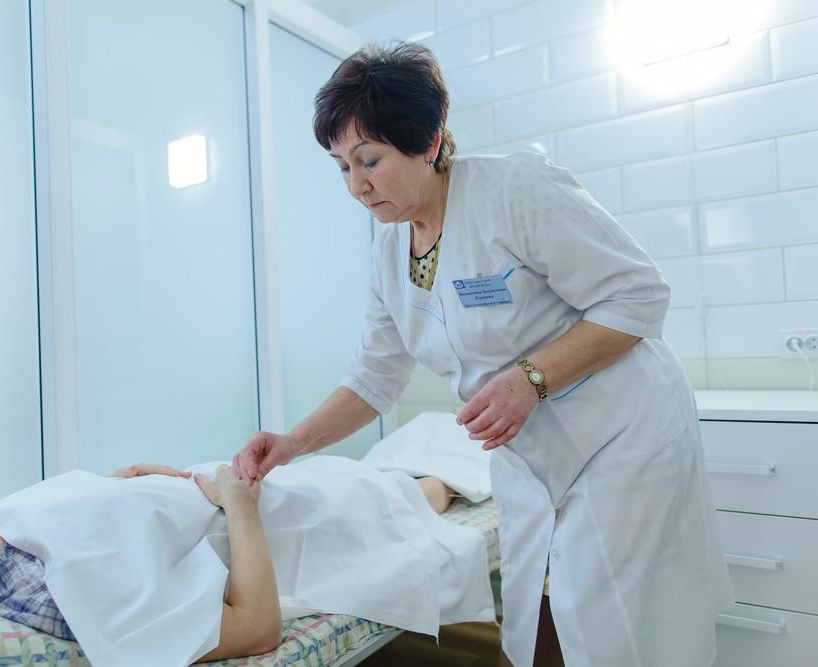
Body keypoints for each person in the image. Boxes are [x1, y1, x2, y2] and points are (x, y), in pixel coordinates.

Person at [232, 43, 734, 667]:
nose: (357, 186)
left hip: (620, 435)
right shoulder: (389, 253)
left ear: (429, 141)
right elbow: (373, 378)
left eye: (370, 160)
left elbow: (638, 295)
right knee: (531, 619)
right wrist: (292, 444)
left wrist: (530, 379)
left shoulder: (513, 190)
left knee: (626, 627)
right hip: (529, 455)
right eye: (341, 167)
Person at [0, 460, 466, 666]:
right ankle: (456, 481)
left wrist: (129, 485)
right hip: (266, 522)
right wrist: (239, 504)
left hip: (206, 489)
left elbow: (89, 526)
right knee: (396, 496)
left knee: (362, 474)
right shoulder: (50, 604)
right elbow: (256, 626)